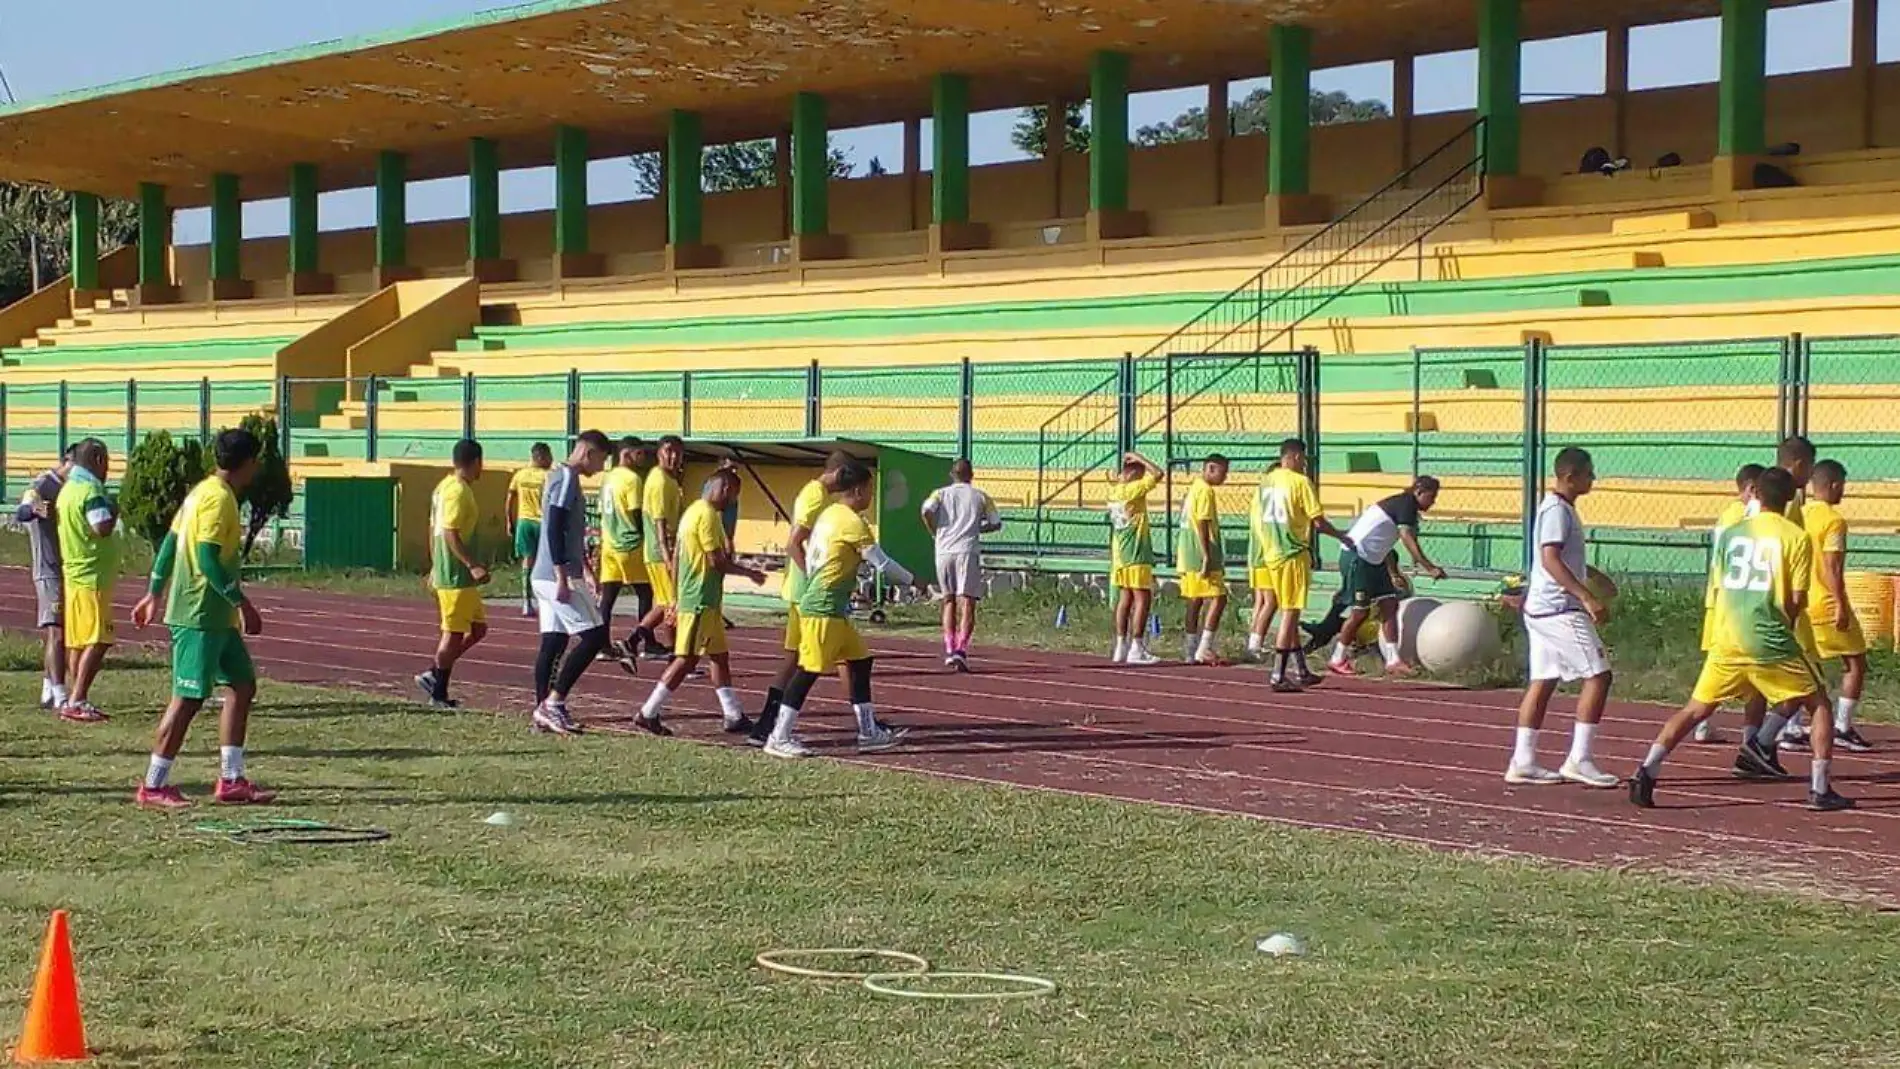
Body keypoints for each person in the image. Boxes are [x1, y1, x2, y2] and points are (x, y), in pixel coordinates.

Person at [1628, 467, 1852, 812]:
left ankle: (1647, 769)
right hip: (1768, 636)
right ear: (1790, 498)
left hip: (1728, 636)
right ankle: (1820, 788)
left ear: (1756, 494)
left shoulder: (1731, 534)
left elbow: (1718, 586)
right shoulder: (1795, 537)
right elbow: (1795, 598)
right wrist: (1785, 628)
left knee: (1696, 709)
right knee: (1819, 703)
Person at [130, 428, 273, 808]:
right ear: (248, 463)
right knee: (188, 699)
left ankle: (231, 779)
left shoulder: (201, 492)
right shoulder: (217, 501)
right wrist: (242, 602)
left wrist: (153, 592)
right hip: (199, 613)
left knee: (242, 685)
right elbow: (206, 556)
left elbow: (171, 544)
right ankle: (153, 785)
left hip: (216, 618)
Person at [763, 461, 913, 759]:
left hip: (834, 608)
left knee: (860, 662)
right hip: (823, 607)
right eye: (870, 490)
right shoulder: (851, 522)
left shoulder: (831, 514)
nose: (871, 497)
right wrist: (915, 580)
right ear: (858, 490)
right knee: (808, 671)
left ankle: (869, 732)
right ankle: (778, 737)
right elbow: (880, 562)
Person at [1505, 447, 1619, 788]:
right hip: (1558, 609)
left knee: (1544, 681)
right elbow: (1551, 558)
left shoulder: (1560, 509)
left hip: (1541, 609)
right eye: (1588, 473)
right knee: (1599, 675)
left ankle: (1523, 760)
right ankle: (1579, 759)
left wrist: (1593, 575)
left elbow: (1564, 556)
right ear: (1570, 477)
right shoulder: (1556, 510)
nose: (1593, 479)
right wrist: (1586, 597)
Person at [634, 469, 766, 734]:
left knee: (719, 657)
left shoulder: (693, 512)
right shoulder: (706, 515)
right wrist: (748, 573)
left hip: (705, 600)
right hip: (699, 600)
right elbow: (715, 560)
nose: (732, 503)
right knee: (687, 659)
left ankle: (732, 714)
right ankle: (648, 711)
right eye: (735, 496)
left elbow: (681, 558)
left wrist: (673, 597)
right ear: (726, 489)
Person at [749, 450, 852, 745]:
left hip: (812, 591)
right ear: (839, 473)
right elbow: (794, 543)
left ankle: (865, 719)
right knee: (803, 659)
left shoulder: (818, 495)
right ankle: (769, 724)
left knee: (845, 655)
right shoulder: (815, 496)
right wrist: (812, 578)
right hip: (808, 592)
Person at [1245, 439, 1350, 691]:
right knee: (1291, 612)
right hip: (1292, 552)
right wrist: (1342, 536)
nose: (1304, 464)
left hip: (1270, 554)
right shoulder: (1300, 482)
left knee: (1286, 612)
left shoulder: (1265, 483)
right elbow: (1318, 521)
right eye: (1302, 459)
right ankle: (1278, 674)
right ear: (1292, 457)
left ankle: (1301, 669)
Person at [528, 431, 614, 736]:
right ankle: (553, 703)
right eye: (602, 459)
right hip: (555, 576)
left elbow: (567, 533)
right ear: (588, 453)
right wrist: (563, 576)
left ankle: (542, 711)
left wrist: (586, 569)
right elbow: (555, 527)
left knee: (554, 641)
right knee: (594, 637)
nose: (601, 468)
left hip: (543, 574)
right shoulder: (566, 478)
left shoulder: (557, 476)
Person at [1331, 476, 1448, 677]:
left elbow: (1384, 543)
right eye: (1432, 496)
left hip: (1374, 560)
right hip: (1357, 557)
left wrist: (1393, 572)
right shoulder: (1406, 504)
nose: (1433, 502)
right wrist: (1428, 567)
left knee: (1389, 604)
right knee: (1360, 612)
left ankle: (1393, 660)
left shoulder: (1403, 505)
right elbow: (1406, 537)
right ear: (1419, 492)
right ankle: (1337, 658)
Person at [1802, 460, 1872, 752]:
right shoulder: (1834, 521)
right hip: (1827, 602)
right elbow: (1832, 566)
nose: (1844, 490)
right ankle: (1842, 726)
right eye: (1842, 484)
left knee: (1807, 666)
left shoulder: (1800, 514)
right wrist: (1841, 604)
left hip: (1803, 601)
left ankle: (1790, 726)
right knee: (1855, 662)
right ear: (1832, 485)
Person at [1692, 463, 1764, 744]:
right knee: (1752, 667)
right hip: (1737, 599)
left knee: (1716, 663)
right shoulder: (1747, 515)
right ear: (1751, 489)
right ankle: (1752, 736)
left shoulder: (1726, 514)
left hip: (1718, 597)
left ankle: (1703, 723)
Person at [417, 439, 491, 709]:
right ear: (476, 462)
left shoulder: (445, 486)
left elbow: (433, 529)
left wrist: (432, 563)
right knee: (454, 634)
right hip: (455, 575)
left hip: (455, 574)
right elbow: (449, 532)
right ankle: (438, 692)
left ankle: (434, 674)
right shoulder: (457, 491)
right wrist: (471, 564)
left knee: (479, 629)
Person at [54, 438, 119, 723]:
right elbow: (101, 527)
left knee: (78, 642)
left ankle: (73, 698)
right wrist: (114, 509)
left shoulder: (68, 489)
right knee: (99, 639)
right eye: (106, 461)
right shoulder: (91, 490)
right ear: (96, 459)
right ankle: (78, 698)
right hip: (92, 576)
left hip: (75, 573)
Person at [921, 458, 1002, 671]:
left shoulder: (939, 493)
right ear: (971, 475)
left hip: (944, 550)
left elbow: (926, 511)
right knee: (968, 601)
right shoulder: (981, 496)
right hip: (967, 550)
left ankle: (949, 648)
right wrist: (976, 529)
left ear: (951, 474)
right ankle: (961, 649)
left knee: (948, 600)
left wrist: (935, 531)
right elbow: (996, 523)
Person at [17, 445, 74, 712]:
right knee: (57, 632)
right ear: (68, 461)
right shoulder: (42, 483)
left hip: (67, 568)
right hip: (48, 569)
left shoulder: (73, 489)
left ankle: (48, 689)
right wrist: (36, 510)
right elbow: (22, 511)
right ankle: (61, 695)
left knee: (59, 632)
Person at [595, 436, 650, 671]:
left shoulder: (608, 478)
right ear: (626, 453)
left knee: (608, 598)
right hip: (629, 543)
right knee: (647, 593)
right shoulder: (632, 479)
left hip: (609, 543)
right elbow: (636, 512)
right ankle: (647, 641)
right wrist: (645, 536)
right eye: (639, 454)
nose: (643, 458)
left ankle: (602, 645)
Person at [1107, 451, 1163, 666]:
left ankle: (1121, 644)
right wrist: (1140, 457)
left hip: (1120, 553)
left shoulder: (1114, 491)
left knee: (1125, 598)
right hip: (1136, 551)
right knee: (1142, 598)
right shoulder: (1133, 489)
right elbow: (1158, 473)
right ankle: (1137, 646)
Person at [633, 435, 686, 660]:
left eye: (677, 452)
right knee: (670, 604)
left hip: (666, 551)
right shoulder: (659, 481)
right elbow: (659, 522)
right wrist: (667, 556)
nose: (673, 457)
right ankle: (634, 642)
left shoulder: (670, 480)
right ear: (658, 454)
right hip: (659, 552)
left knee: (668, 604)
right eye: (668, 451)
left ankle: (668, 651)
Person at [1177, 454, 1232, 666]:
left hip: (1187, 553)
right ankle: (1204, 647)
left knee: (1195, 600)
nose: (1225, 477)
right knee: (1219, 597)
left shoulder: (1194, 488)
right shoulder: (1205, 491)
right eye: (1222, 472)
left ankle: (1191, 648)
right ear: (1210, 468)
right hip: (1199, 552)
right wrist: (1207, 554)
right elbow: (1202, 522)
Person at [506, 443, 553, 616]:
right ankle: (544, 599)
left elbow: (510, 498)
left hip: (524, 521)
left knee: (527, 561)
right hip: (542, 522)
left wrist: (509, 520)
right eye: (549, 456)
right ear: (541, 457)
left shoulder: (520, 475)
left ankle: (526, 601)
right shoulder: (547, 476)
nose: (551, 460)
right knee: (547, 561)